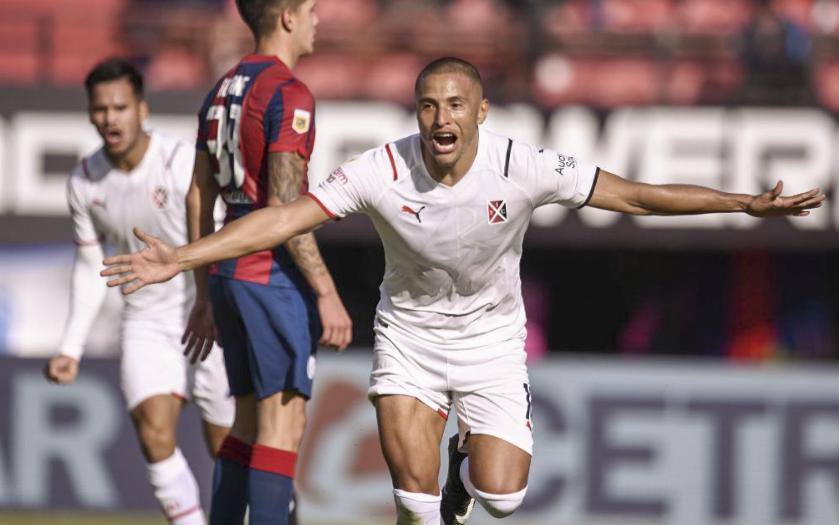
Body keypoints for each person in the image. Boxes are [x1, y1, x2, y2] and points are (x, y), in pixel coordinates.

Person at [101, 57, 825, 525]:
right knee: (415, 513)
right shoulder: (382, 168)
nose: (440, 118)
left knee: (503, 498)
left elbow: (632, 196)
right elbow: (285, 216)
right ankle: (435, 486)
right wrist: (183, 257)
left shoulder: (522, 164)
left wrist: (742, 203)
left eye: (454, 104)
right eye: (426, 105)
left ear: (479, 112)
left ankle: (464, 466)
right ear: (415, 113)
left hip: (489, 342)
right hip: (410, 341)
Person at [182, 1, 352, 524]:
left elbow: (197, 196)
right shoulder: (289, 92)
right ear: (286, 18)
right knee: (284, 431)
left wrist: (206, 293)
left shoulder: (220, 90)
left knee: (247, 428)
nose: (317, 20)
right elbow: (283, 208)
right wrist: (325, 289)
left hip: (230, 277)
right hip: (270, 277)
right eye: (310, 9)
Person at [44, 58, 234, 525]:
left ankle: (278, 510)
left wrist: (210, 301)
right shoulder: (84, 183)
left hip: (203, 309)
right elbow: (92, 266)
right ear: (90, 114)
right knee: (153, 435)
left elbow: (217, 237)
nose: (111, 118)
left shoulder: (177, 162)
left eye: (120, 107)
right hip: (146, 317)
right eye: (101, 109)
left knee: (226, 448)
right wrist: (71, 347)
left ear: (141, 108)